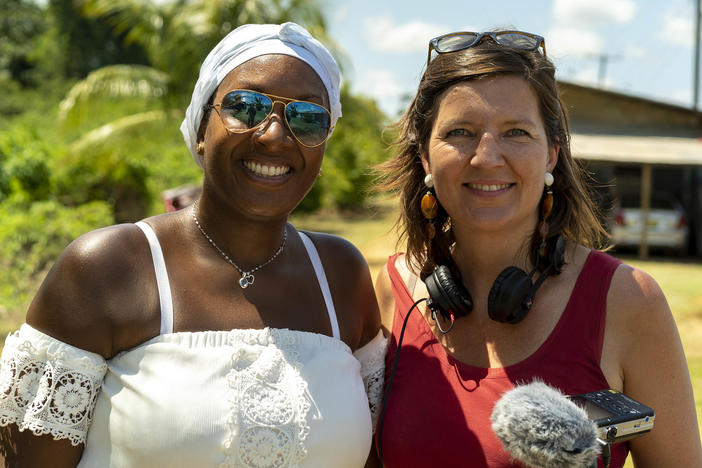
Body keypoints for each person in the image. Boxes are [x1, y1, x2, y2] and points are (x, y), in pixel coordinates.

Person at [0, 22, 385, 467]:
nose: (275, 135)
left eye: (307, 118)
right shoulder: (108, 269)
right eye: (247, 106)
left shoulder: (339, 277)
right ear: (202, 128)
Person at [374, 30, 702, 467]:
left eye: (515, 132)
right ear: (425, 159)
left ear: (551, 154)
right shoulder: (389, 291)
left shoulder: (628, 301)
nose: (487, 157)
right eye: (460, 132)